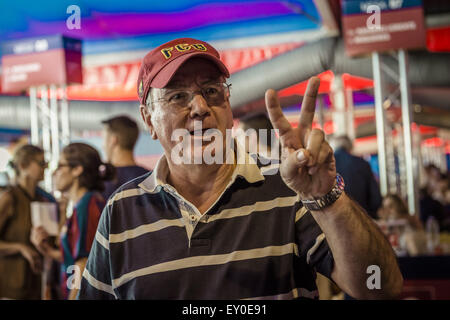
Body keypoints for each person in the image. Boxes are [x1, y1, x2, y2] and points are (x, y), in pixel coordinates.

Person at [78, 38, 403, 300]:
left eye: (211, 91)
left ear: (229, 107)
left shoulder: (291, 190)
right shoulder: (121, 211)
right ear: (149, 120)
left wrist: (327, 198)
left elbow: (380, 289)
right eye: (178, 96)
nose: (201, 108)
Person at [31, 143, 114, 300]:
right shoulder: (80, 206)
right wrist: (47, 250)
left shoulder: (87, 205)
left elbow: (83, 263)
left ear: (77, 169)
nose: (54, 172)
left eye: (60, 166)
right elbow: (73, 257)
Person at [0, 144, 56, 299]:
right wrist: (20, 247)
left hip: (35, 284)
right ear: (23, 166)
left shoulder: (42, 200)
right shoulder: (9, 198)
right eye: (41, 163)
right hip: (10, 286)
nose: (45, 168)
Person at [330, 135, 382, 219]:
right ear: (350, 147)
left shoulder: (327, 166)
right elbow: (375, 198)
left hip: (334, 220)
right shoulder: (362, 163)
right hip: (361, 217)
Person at [101, 115, 149, 200]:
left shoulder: (102, 182)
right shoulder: (150, 178)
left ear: (113, 140)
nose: (103, 146)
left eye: (104, 140)